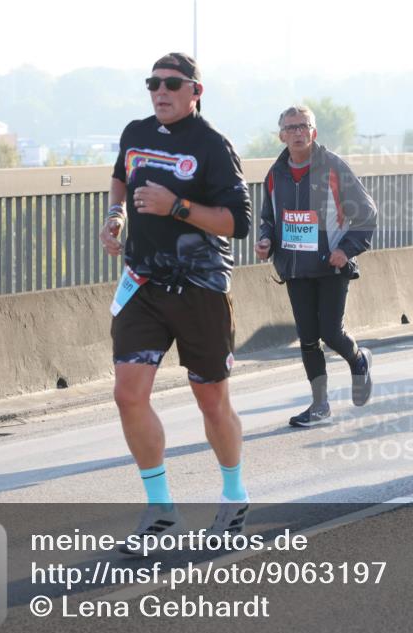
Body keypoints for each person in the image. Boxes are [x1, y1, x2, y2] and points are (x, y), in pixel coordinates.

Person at [100, 53, 253, 553]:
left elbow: (238, 223)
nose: (160, 92)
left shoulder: (212, 145)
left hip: (200, 288)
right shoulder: (135, 132)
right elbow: (121, 175)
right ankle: (161, 508)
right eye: (153, 84)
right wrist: (117, 216)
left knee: (211, 400)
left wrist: (178, 208)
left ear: (195, 92)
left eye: (172, 84)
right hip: (143, 283)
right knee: (128, 394)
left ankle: (234, 494)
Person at [255, 105, 377, 427]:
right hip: (295, 269)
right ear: (281, 135)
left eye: (303, 126)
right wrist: (266, 241)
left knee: (330, 332)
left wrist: (345, 249)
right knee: (308, 337)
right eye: (291, 128)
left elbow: (366, 213)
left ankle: (358, 358)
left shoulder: (333, 168)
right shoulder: (275, 174)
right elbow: (269, 219)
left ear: (314, 132)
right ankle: (320, 405)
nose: (297, 132)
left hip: (331, 266)